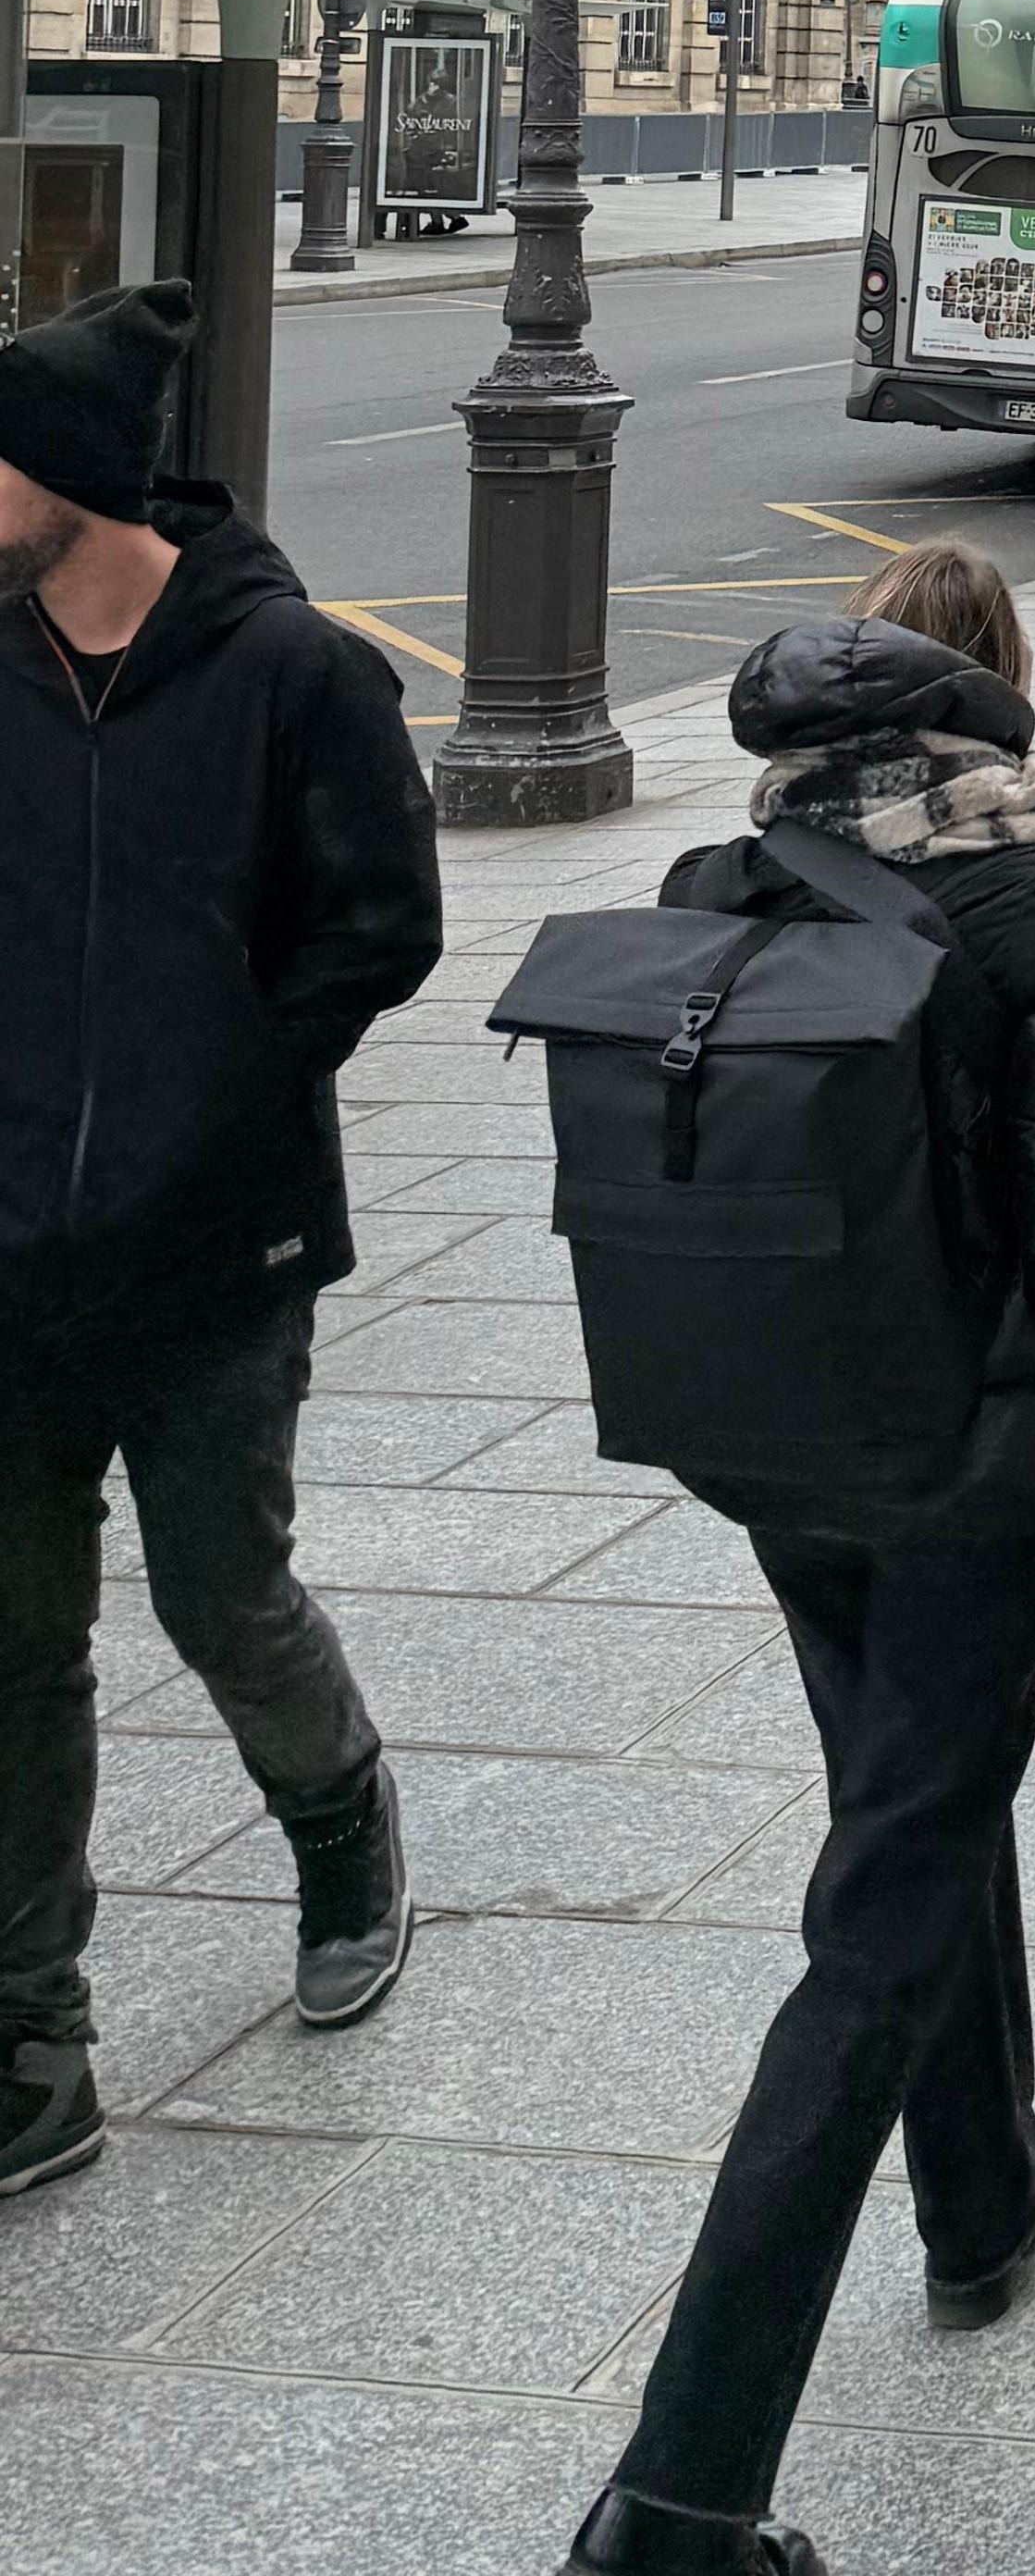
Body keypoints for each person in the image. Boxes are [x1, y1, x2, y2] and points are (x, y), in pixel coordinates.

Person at [566, 539, 1035, 2576]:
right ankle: (681, 2491)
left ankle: (983, 2184)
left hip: (765, 1430)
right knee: (882, 1907)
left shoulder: (715, 887)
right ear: (991, 700)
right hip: (970, 1460)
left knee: (911, 1794)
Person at [0, 280, 437, 2214]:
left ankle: (342, 1829)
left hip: (214, 1256)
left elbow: (384, 926)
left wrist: (220, 1088)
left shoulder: (292, 674)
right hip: (10, 1259)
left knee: (218, 1594)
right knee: (14, 1650)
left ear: (72, 479)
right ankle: (32, 2043)